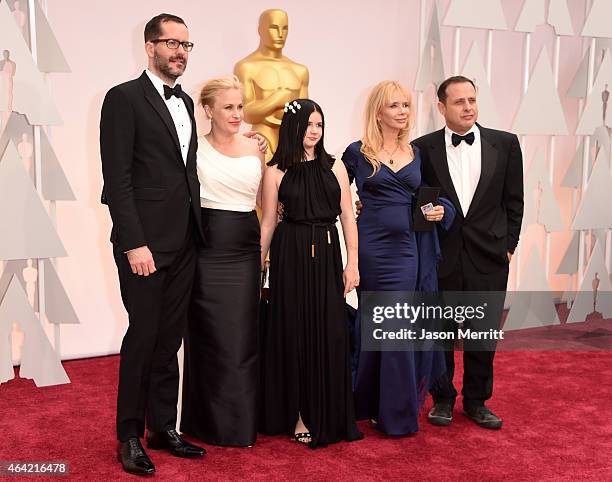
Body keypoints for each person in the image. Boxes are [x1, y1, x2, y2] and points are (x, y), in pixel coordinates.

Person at [100, 13, 206, 475]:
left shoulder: (184, 102)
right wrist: (134, 243)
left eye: (186, 44)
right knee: (143, 337)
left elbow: (185, 175)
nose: (180, 51)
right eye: (170, 43)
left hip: (185, 240)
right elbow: (118, 180)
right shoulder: (123, 99)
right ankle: (129, 435)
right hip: (144, 246)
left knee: (170, 339)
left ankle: (164, 427)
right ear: (149, 47)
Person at [342, 80, 454, 436]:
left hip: (407, 251)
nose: (403, 112)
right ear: (378, 111)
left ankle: (397, 413)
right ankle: (373, 405)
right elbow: (329, 186)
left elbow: (439, 198)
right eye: (394, 106)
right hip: (371, 248)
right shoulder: (356, 152)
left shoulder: (418, 154)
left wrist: (439, 210)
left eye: (406, 105)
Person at [413, 75, 523, 429]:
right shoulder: (422, 148)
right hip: (443, 255)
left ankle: (477, 401)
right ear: (441, 107)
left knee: (482, 332)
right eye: (459, 102)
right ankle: (442, 398)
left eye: (472, 100)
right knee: (441, 333)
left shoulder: (505, 144)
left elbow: (514, 201)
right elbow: (420, 202)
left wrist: (508, 247)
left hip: (489, 256)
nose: (468, 107)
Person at [259, 99, 363, 448]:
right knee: (295, 331)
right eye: (307, 125)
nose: (314, 132)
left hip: (329, 251)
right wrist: (259, 261)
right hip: (290, 253)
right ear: (293, 128)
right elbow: (269, 219)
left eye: (318, 124)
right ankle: (300, 413)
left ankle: (330, 411)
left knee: (330, 332)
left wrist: (353, 264)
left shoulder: (335, 168)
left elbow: (348, 217)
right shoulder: (276, 170)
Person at [180, 76, 264, 447]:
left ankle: (239, 425)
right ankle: (201, 422)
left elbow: (267, 202)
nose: (237, 114)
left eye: (240, 107)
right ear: (208, 110)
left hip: (245, 247)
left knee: (241, 337)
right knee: (207, 336)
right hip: (206, 246)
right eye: (228, 107)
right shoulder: (192, 149)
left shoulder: (256, 146)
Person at [234, 8, 309, 159]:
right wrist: (276, 100)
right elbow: (246, 113)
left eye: (285, 29)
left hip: (294, 144)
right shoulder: (247, 67)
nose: (280, 34)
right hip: (262, 140)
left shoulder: (299, 70)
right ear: (260, 30)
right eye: (274, 28)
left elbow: (307, 115)